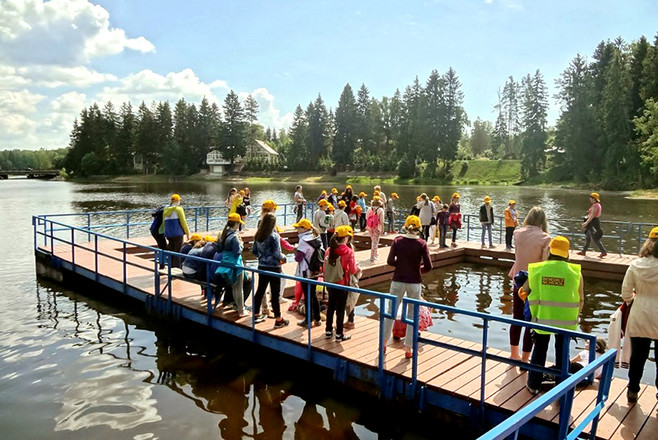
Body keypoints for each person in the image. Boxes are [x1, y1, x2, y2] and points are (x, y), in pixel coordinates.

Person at [526, 236, 584, 395]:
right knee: (563, 352)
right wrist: (575, 315)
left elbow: (524, 291)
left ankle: (533, 385)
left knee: (539, 350)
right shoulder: (575, 272)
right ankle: (562, 387)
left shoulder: (537, 269)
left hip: (542, 318)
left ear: (550, 250)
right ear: (567, 253)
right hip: (566, 322)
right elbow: (581, 298)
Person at [384, 215, 433, 358]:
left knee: (390, 312)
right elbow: (429, 266)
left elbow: (389, 261)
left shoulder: (397, 241)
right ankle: (408, 349)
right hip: (414, 283)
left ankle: (384, 344)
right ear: (419, 228)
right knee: (412, 315)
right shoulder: (422, 244)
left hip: (398, 280)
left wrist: (400, 266)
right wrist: (418, 270)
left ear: (406, 227)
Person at [508, 206, 551, 362]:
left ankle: (514, 353)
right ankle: (526, 358)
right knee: (530, 321)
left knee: (516, 317)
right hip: (534, 284)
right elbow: (545, 263)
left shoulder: (517, 233)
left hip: (517, 279)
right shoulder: (546, 238)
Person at [621, 226, 658, 403]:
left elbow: (626, 293)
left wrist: (633, 301)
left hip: (640, 313)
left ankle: (633, 390)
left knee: (638, 356)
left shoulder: (636, 265)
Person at [251, 213, 289, 328]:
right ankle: (278, 319)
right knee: (275, 294)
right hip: (273, 268)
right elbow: (277, 254)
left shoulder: (258, 235)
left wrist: (262, 256)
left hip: (262, 266)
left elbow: (254, 251)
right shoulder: (274, 236)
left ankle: (256, 314)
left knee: (260, 291)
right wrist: (284, 258)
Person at [324, 225, 359, 341]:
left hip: (330, 282)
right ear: (345, 239)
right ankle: (339, 334)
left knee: (331, 307)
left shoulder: (329, 250)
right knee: (340, 310)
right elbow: (353, 270)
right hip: (342, 283)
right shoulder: (348, 251)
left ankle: (328, 331)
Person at [215, 213, 248, 317]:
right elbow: (237, 252)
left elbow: (219, 250)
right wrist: (241, 245)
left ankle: (238, 307)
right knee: (239, 288)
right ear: (236, 224)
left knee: (234, 287)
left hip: (225, 263)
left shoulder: (223, 234)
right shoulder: (234, 237)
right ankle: (241, 310)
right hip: (235, 264)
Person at [293, 219, 322, 327]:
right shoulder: (316, 237)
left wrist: (296, 249)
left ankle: (308, 320)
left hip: (305, 271)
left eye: (299, 228)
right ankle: (317, 318)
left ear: (304, 228)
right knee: (313, 294)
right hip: (314, 270)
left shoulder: (303, 240)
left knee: (308, 295)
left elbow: (298, 258)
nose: (297, 230)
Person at [160, 193, 190, 268]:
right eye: (179, 200)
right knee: (178, 252)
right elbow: (183, 222)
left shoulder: (166, 210)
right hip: (178, 233)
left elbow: (164, 223)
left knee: (171, 251)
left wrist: (165, 231)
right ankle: (176, 268)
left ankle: (170, 267)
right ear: (177, 201)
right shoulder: (179, 209)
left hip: (169, 234)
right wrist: (187, 233)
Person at [577, 192, 607, 258]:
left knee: (595, 238)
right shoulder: (598, 205)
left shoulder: (595, 206)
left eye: (591, 198)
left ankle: (603, 251)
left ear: (594, 198)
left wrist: (586, 223)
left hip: (593, 223)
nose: (589, 199)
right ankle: (583, 251)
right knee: (588, 237)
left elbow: (592, 216)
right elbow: (591, 215)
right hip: (594, 221)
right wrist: (586, 217)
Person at [366, 196, 385, 262]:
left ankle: (375, 253)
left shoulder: (369, 209)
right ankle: (372, 256)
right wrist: (383, 228)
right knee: (375, 241)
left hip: (370, 227)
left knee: (373, 240)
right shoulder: (380, 210)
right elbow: (382, 221)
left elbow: (366, 218)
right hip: (377, 227)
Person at [149, 203, 168, 269]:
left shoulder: (160, 213)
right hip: (158, 232)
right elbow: (165, 225)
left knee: (162, 247)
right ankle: (162, 266)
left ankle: (162, 265)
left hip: (153, 230)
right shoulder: (164, 214)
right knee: (163, 248)